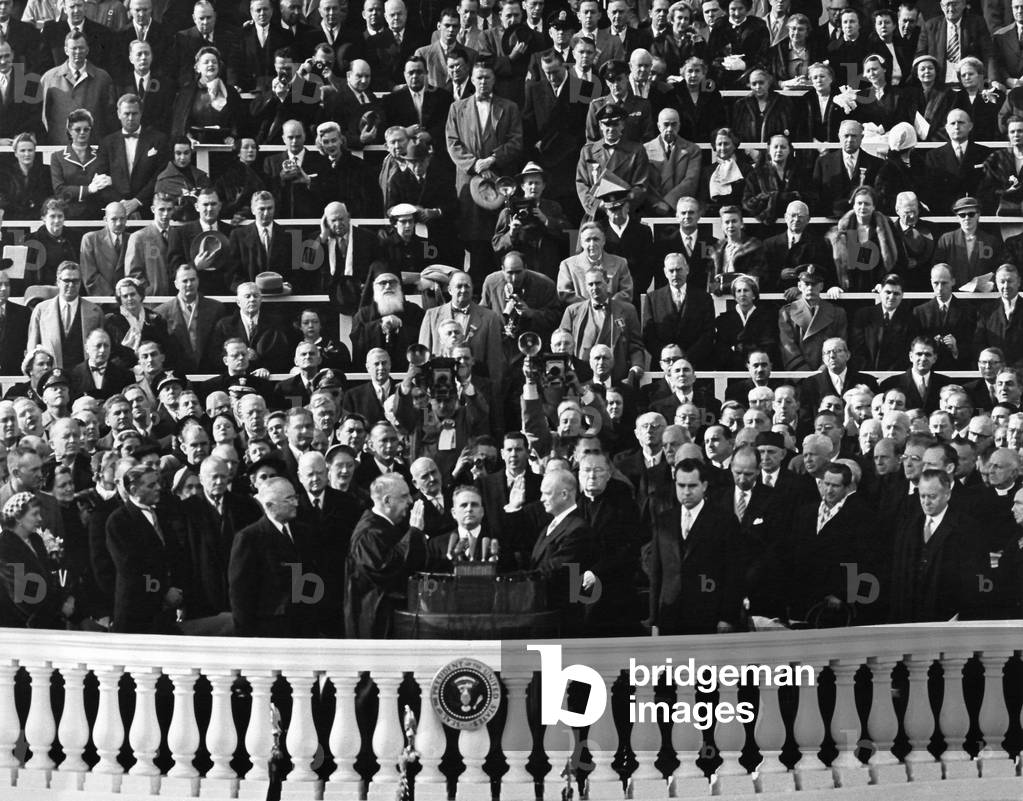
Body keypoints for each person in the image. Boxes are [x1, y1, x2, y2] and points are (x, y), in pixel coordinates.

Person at [445, 58, 524, 282]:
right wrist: (475, 165)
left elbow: (516, 141)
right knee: (474, 238)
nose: (483, 82)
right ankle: (478, 288)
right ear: (471, 79)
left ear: (494, 80)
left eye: (487, 78)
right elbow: (453, 143)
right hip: (470, 184)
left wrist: (492, 160)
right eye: (479, 77)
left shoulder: (508, 108)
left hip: (500, 182)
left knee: (499, 234)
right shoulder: (457, 108)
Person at [647, 458, 742, 635]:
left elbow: (733, 573)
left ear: (704, 486)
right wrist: (654, 620)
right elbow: (656, 573)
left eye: (692, 486)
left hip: (708, 614)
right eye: (681, 486)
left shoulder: (724, 521)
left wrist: (727, 617)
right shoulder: (664, 520)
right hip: (669, 614)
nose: (686, 492)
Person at [228, 476, 321, 637]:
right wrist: (246, 637)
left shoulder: (304, 532)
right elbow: (240, 594)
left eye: (295, 497)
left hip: (304, 629)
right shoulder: (249, 538)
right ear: (270, 505)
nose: (296, 503)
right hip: (269, 632)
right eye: (289, 499)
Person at [105, 464, 185, 633]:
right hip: (135, 613)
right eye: (151, 485)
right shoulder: (119, 521)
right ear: (133, 489)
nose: (158, 488)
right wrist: (163, 592)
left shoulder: (162, 515)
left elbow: (174, 557)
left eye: (158, 483)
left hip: (163, 614)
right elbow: (131, 569)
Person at [345, 473, 426, 637]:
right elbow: (386, 571)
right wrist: (414, 533)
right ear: (387, 501)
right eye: (404, 497)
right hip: (376, 622)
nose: (410, 501)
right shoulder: (368, 533)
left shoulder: (389, 527)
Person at [0, 492, 74, 628]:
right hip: (21, 623)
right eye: (34, 514)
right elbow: (22, 594)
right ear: (18, 517)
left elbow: (49, 577)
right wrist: (59, 609)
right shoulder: (5, 546)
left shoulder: (35, 540)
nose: (40, 519)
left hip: (46, 618)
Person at [559, 268, 644, 384]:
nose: (594, 288)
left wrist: (636, 367)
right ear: (585, 286)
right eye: (590, 284)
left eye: (598, 283)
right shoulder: (572, 312)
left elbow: (636, 345)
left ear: (607, 282)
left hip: (618, 378)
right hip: (583, 379)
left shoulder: (627, 310)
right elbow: (561, 345)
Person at [95, 93, 169, 217]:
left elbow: (160, 175)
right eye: (126, 113)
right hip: (116, 210)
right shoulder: (107, 143)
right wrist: (122, 204)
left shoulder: (158, 140)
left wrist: (137, 201)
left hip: (148, 208)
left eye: (134, 113)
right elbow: (100, 178)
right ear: (119, 114)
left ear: (141, 114)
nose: (130, 118)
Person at [39, 30, 117, 145]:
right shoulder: (49, 78)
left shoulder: (103, 78)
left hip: (94, 147)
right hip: (59, 146)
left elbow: (110, 116)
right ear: (66, 50)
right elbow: (43, 116)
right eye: (73, 48)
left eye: (81, 48)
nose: (77, 52)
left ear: (87, 50)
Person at [27, 261, 104, 370]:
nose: (71, 285)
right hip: (52, 376)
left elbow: (101, 346)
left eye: (75, 281)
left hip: (84, 377)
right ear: (58, 281)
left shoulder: (95, 312)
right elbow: (32, 348)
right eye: (67, 280)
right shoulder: (41, 310)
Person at [643, 252, 715, 366]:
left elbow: (708, 333)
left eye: (679, 269)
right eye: (671, 271)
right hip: (664, 365)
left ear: (687, 269)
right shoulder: (652, 299)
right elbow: (648, 335)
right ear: (665, 272)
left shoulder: (704, 298)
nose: (675, 274)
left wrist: (686, 358)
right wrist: (668, 359)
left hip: (696, 364)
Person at [778, 265, 848, 370]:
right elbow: (788, 347)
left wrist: (823, 371)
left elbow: (839, 346)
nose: (810, 288)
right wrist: (805, 374)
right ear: (799, 286)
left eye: (814, 284)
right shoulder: (787, 312)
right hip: (799, 375)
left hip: (827, 374)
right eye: (806, 284)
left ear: (821, 286)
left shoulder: (837, 313)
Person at [171, 45, 245, 143]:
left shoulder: (231, 92)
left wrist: (233, 137)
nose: (211, 65)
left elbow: (238, 120)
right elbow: (179, 123)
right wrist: (188, 139)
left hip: (223, 144)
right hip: (195, 144)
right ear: (197, 68)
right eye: (206, 62)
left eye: (214, 62)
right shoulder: (186, 92)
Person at [879, 336, 953, 413]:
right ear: (911, 356)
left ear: (935, 358)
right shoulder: (891, 384)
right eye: (919, 354)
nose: (923, 358)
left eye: (928, 354)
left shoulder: (946, 384)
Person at [123, 193, 175, 295]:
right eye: (161, 209)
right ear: (153, 209)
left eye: (169, 210)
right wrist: (148, 290)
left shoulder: (178, 235)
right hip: (152, 300)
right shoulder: (139, 237)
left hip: (175, 299)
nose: (165, 214)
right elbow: (132, 273)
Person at [0, 132, 51, 220]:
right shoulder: (6, 174)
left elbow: (49, 196)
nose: (27, 154)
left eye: (30, 150)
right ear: (16, 153)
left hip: (39, 219)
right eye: (22, 150)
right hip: (14, 221)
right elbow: (4, 199)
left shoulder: (46, 171)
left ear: (35, 151)